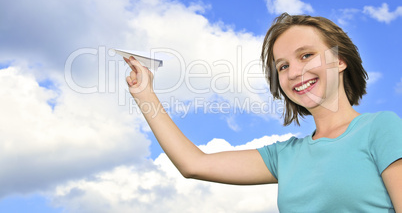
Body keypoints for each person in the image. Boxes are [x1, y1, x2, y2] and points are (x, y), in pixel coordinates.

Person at [124, 13, 402, 212]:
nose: (294, 72)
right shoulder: (285, 156)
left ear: (339, 61)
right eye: (282, 66)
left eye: (306, 55)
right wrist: (144, 93)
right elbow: (193, 164)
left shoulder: (381, 128)